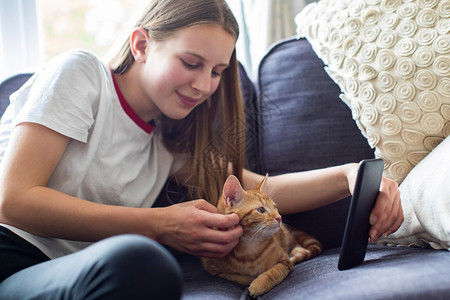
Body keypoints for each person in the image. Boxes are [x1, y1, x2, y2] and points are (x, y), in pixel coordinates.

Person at [0, 0, 403, 298]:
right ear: (141, 44)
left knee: (140, 267)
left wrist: (350, 175)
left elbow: (262, 191)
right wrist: (159, 225)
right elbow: (13, 200)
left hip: (71, 272)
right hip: (11, 257)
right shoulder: (81, 74)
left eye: (217, 71)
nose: (205, 85)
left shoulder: (169, 140)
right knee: (142, 262)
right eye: (191, 63)